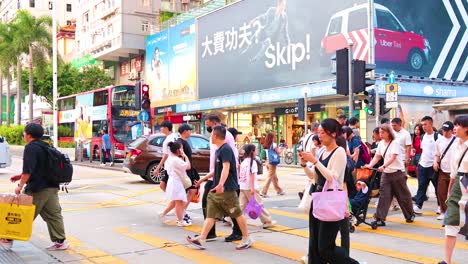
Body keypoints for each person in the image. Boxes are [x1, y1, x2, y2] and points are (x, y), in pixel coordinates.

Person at [1, 123, 69, 250]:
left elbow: (29, 170)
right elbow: (40, 168)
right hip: (52, 186)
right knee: (53, 215)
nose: (23, 135)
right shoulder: (46, 146)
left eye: (24, 133)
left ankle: (7, 238)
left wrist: (19, 185)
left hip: (38, 188)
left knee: (23, 213)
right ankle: (60, 241)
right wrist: (19, 176)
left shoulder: (31, 148)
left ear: (29, 135)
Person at [300, 118, 358, 264]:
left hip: (331, 202)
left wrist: (314, 161)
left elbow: (333, 177)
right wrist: (304, 165)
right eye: (318, 132)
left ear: (333, 133)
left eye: (322, 132)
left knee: (325, 248)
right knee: (314, 244)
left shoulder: (339, 152)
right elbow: (314, 177)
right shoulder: (321, 152)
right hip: (318, 199)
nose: (319, 136)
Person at [187, 126, 254, 250]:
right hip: (216, 189)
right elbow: (216, 170)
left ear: (216, 136)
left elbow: (226, 168)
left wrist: (221, 184)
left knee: (237, 214)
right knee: (210, 215)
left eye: (211, 134)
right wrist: (202, 179)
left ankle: (246, 238)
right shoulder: (219, 150)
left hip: (227, 190)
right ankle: (202, 238)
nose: (210, 137)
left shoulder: (226, 150)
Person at [364, 124, 415, 227]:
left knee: (403, 196)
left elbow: (393, 158)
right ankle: (380, 219)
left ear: (389, 132)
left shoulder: (395, 143)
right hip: (386, 174)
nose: (381, 134)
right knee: (384, 196)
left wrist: (383, 166)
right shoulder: (381, 144)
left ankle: (410, 215)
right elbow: (377, 156)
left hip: (397, 173)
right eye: (380, 132)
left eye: (383, 132)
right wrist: (370, 165)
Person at [202, 113, 241, 242]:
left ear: (214, 123)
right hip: (215, 176)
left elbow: (229, 160)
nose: (207, 127)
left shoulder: (225, 136)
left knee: (233, 208)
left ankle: (240, 232)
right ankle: (208, 233)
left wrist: (222, 182)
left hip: (225, 179)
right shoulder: (213, 136)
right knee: (209, 205)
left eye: (208, 125)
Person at [438, 115, 468, 264]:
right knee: (451, 222)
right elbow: (453, 172)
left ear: (467, 128)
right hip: (458, 185)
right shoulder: (456, 145)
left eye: (458, 126)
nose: (454, 128)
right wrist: (450, 191)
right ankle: (447, 261)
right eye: (454, 125)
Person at [238, 144, 276, 228]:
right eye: (256, 150)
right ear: (252, 152)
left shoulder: (244, 162)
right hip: (250, 188)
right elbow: (251, 176)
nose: (257, 151)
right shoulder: (253, 162)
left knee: (241, 205)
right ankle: (267, 221)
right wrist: (252, 189)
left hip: (243, 186)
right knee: (259, 205)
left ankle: (233, 220)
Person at [159, 141, 192, 227]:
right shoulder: (176, 160)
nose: (182, 150)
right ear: (178, 150)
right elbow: (188, 166)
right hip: (176, 183)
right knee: (178, 202)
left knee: (175, 201)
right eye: (181, 149)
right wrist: (185, 156)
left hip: (172, 181)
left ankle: (163, 214)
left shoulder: (169, 158)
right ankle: (181, 221)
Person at [414, 116, 439, 214]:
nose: (423, 127)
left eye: (425, 124)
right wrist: (420, 162)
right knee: (421, 186)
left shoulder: (437, 136)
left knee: (437, 188)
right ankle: (418, 206)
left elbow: (440, 151)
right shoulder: (423, 136)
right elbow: (424, 150)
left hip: (433, 166)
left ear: (431, 124)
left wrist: (436, 162)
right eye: (422, 125)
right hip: (423, 165)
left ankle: (440, 206)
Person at [434, 121, 458, 221]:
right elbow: (437, 154)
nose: (445, 133)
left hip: (455, 171)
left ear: (452, 131)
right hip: (443, 171)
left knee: (454, 194)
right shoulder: (439, 141)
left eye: (447, 131)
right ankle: (444, 211)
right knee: (441, 192)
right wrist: (435, 162)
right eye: (443, 130)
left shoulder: (457, 140)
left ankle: (454, 213)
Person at [177, 124, 199, 224]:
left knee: (193, 190)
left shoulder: (184, 141)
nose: (190, 132)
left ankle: (182, 211)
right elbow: (180, 156)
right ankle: (181, 213)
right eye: (189, 131)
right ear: (185, 131)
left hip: (189, 170)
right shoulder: (180, 142)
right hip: (185, 171)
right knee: (187, 192)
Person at [154, 120, 179, 192]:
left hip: (170, 166)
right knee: (164, 185)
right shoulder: (175, 136)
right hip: (176, 164)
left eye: (161, 127)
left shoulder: (167, 141)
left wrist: (158, 168)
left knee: (164, 185)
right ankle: (173, 199)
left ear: (166, 128)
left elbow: (165, 155)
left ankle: (173, 200)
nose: (160, 129)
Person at [261, 132, 285, 197]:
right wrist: (282, 148)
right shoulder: (273, 145)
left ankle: (279, 190)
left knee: (274, 177)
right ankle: (263, 192)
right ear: (272, 138)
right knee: (269, 177)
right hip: (272, 163)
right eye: (274, 136)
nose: (275, 138)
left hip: (267, 161)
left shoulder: (266, 144)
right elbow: (278, 152)